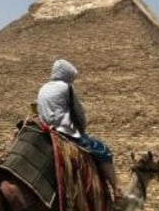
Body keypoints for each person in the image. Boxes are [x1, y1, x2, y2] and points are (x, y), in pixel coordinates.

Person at [35, 58, 121, 199]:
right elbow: (79, 112)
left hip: (44, 131)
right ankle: (116, 189)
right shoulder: (66, 87)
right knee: (102, 150)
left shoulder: (43, 88)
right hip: (63, 131)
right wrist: (82, 128)